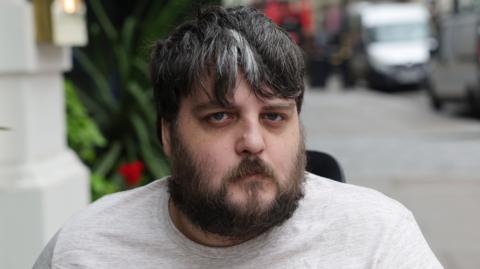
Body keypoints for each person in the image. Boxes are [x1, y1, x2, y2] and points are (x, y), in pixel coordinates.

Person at [33, 6, 443, 268]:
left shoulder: (377, 239)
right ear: (168, 134)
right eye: (220, 116)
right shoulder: (86, 249)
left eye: (274, 116)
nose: (253, 141)